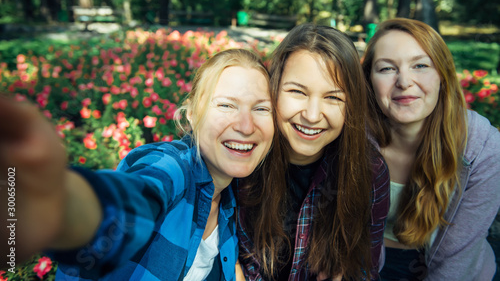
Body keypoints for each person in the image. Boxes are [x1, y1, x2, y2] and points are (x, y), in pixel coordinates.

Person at [0, 49, 276, 280]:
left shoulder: (230, 198)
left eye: (261, 108)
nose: (246, 125)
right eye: (226, 105)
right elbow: (135, 197)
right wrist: (57, 205)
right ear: (191, 113)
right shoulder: (172, 166)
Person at [236, 24, 390, 280]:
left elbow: (365, 269)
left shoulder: (368, 172)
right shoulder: (241, 156)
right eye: (297, 91)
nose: (312, 115)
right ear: (273, 88)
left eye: (333, 98)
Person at [361, 18, 500, 280]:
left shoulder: (482, 149)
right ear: (369, 80)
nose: (404, 81)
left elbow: (458, 261)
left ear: (442, 76)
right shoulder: (352, 138)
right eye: (387, 68)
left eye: (420, 65)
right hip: (365, 263)